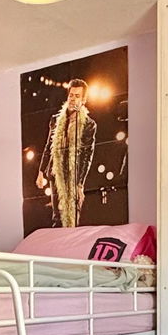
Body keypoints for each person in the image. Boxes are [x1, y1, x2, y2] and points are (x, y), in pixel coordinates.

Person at [38, 79, 98, 228]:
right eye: (71, 95)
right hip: (56, 172)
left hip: (73, 174)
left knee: (72, 216)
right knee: (57, 216)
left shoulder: (89, 124)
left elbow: (87, 155)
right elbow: (48, 147)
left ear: (83, 100)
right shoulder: (56, 120)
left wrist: (79, 183)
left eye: (77, 96)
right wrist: (41, 171)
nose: (73, 99)